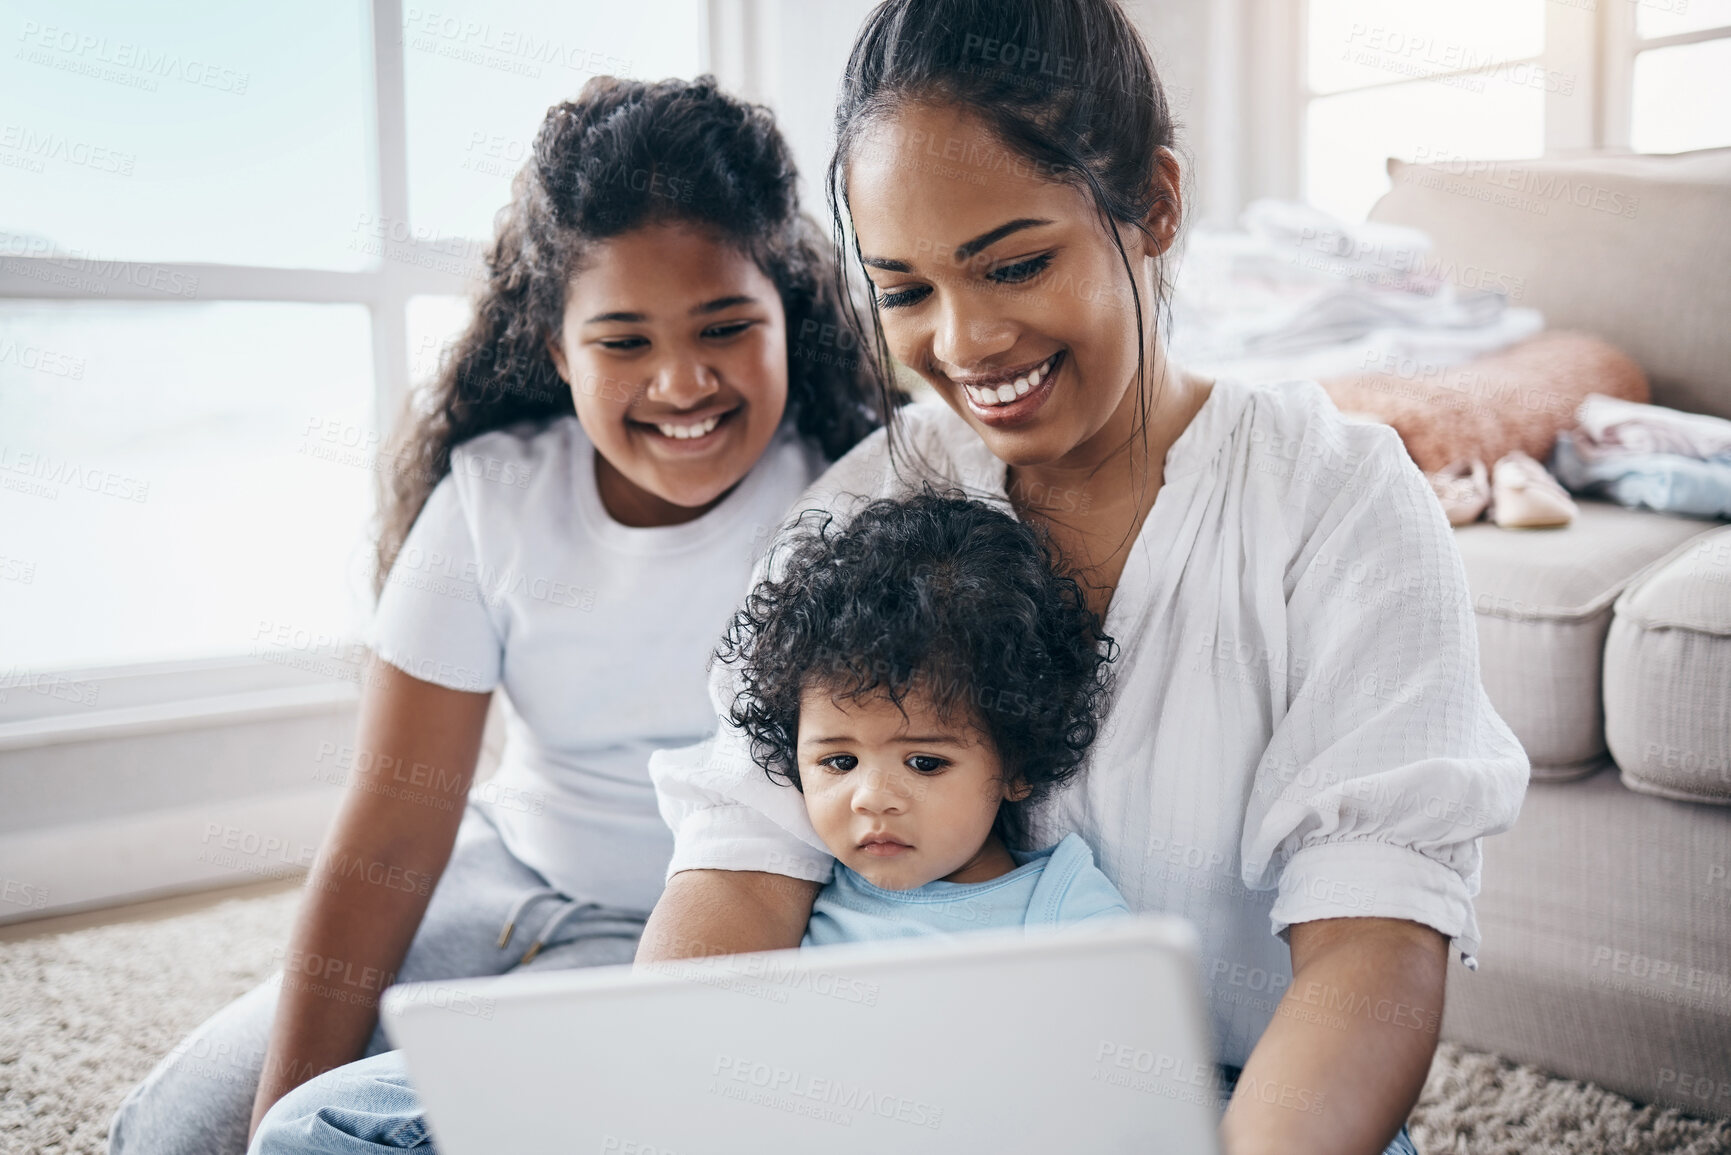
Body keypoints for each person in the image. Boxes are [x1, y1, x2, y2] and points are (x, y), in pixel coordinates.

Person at [639, 3, 1529, 1154]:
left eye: (1014, 264)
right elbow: (744, 871)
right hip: (893, 1091)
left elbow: (1371, 946)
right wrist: (659, 1109)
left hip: (1223, 1106)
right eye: (905, 290)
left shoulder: (1336, 497)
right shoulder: (871, 503)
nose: (963, 344)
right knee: (343, 1120)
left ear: (1152, 204)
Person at [109, 75, 882, 1155]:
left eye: (726, 326)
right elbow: (389, 827)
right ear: (557, 351)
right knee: (185, 1131)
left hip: (680, 933)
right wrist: (284, 1112)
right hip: (497, 877)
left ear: (786, 316)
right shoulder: (490, 495)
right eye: (622, 341)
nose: (681, 380)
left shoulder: (850, 501)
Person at [709, 491, 1131, 942]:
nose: (871, 799)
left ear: (1018, 763)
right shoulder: (795, 899)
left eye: (924, 763)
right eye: (840, 762)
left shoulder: (1068, 914)